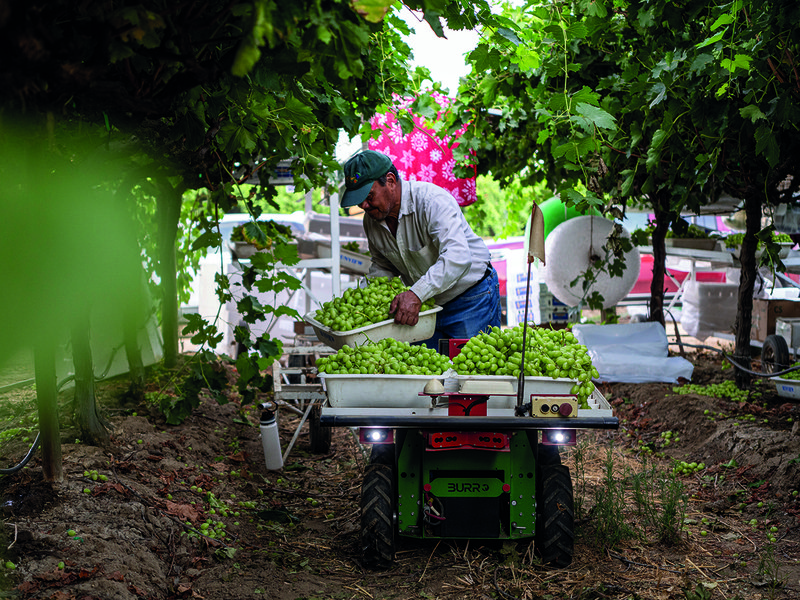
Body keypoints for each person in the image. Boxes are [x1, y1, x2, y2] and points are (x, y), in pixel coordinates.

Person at [340, 149, 501, 351]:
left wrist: (416, 294)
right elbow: (383, 267)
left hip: (470, 299)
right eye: (358, 200)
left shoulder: (431, 201)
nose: (364, 205)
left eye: (369, 196)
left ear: (390, 181)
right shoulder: (372, 220)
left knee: (473, 375)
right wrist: (357, 301)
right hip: (427, 308)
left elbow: (457, 256)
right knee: (430, 376)